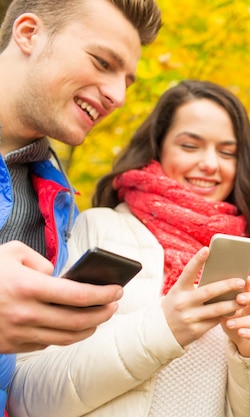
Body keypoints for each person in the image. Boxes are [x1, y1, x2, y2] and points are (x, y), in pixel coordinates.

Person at [8, 80, 250, 417]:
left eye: (227, 152)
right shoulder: (101, 228)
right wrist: (164, 328)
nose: (210, 164)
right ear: (158, 149)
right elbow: (30, 396)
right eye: (190, 146)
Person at [0, 0, 161, 413]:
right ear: (29, 33)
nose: (119, 96)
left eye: (128, 80)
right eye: (102, 62)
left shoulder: (59, 205)